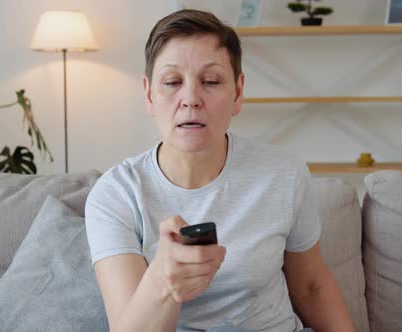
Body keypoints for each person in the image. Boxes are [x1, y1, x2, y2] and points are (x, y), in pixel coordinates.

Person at [85, 9, 355, 332]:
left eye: (210, 81)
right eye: (172, 82)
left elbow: (311, 285)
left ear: (238, 93)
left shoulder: (285, 175)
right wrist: (163, 280)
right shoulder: (116, 194)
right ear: (149, 95)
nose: (190, 99)